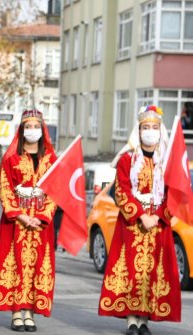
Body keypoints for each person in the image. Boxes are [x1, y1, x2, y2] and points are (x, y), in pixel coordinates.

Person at [99, 105, 181, 335]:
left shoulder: (166, 160)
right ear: (139, 130)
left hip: (157, 225)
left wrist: (157, 216)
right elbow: (121, 190)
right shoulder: (127, 159)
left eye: (155, 127)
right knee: (131, 270)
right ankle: (131, 320)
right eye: (146, 127)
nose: (150, 131)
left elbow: (172, 193)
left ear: (160, 131)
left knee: (152, 272)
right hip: (132, 224)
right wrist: (140, 215)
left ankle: (144, 319)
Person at [0, 109, 58, 332]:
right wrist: (21, 215)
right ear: (22, 130)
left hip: (41, 225)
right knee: (15, 265)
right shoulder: (11, 158)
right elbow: (5, 189)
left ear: (42, 129)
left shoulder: (51, 159)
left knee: (37, 267)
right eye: (28, 126)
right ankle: (17, 312)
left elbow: (55, 191)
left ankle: (30, 313)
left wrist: (42, 216)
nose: (32, 130)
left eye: (36, 126)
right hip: (16, 222)